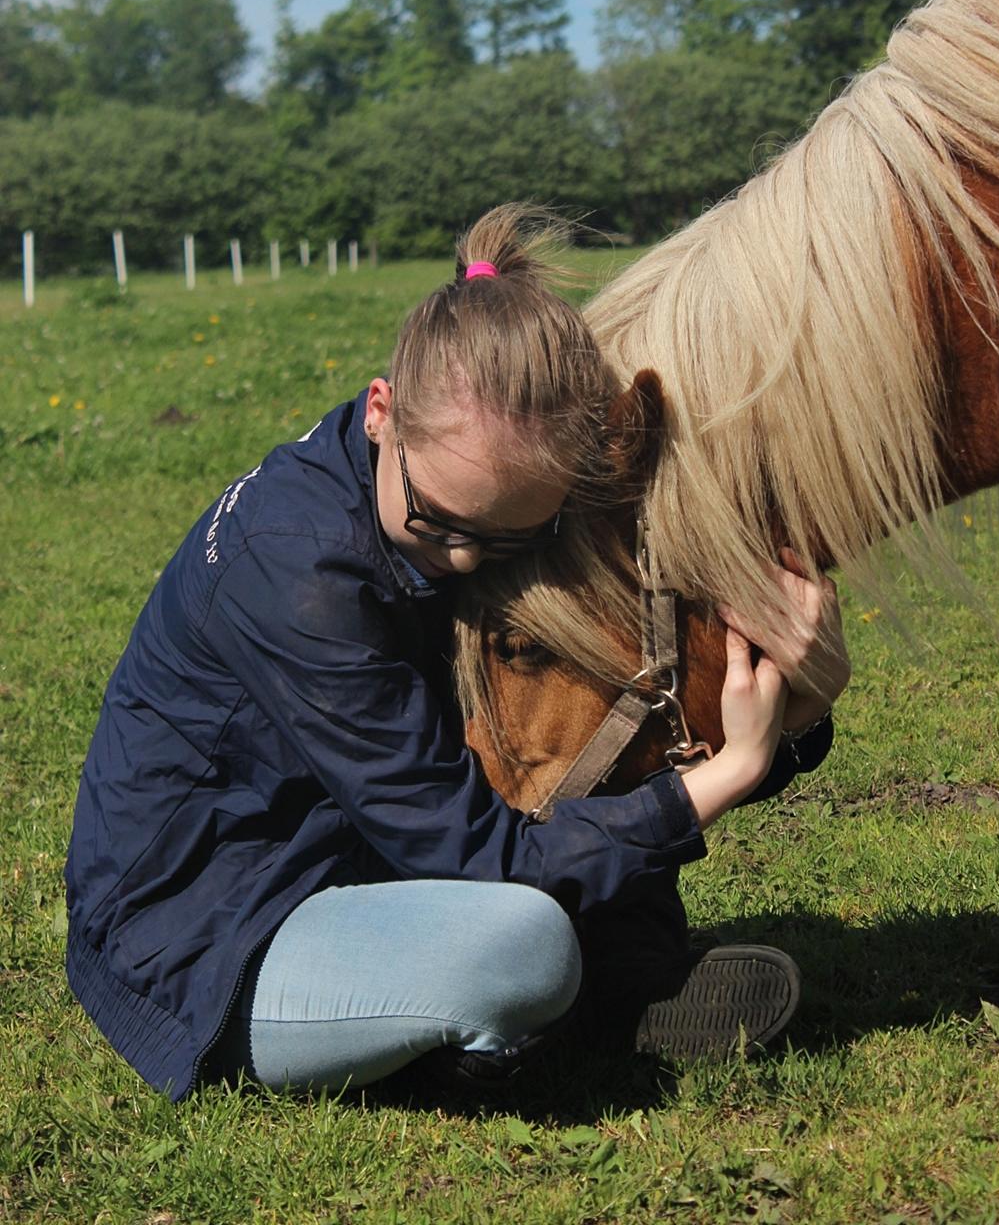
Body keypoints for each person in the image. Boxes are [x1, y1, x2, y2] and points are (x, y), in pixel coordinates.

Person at [65, 205, 850, 1102]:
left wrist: (800, 708)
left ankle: (613, 991)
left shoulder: (442, 491)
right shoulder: (300, 578)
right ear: (380, 410)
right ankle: (544, 1016)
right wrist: (728, 773)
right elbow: (478, 858)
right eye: (440, 523)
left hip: (367, 851)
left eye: (515, 536)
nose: (468, 561)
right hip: (218, 929)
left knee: (586, 882)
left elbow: (594, 730)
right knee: (524, 945)